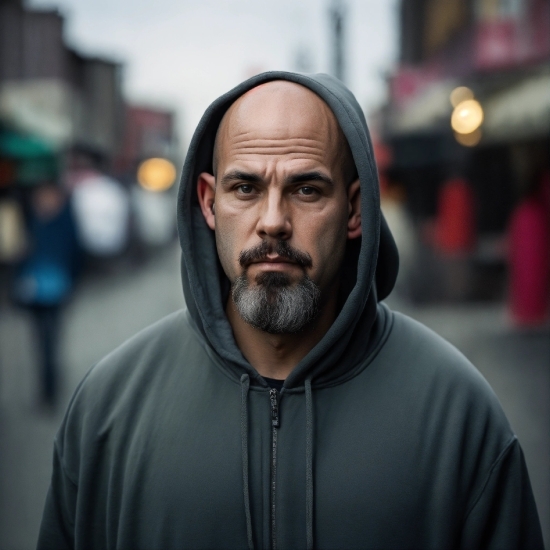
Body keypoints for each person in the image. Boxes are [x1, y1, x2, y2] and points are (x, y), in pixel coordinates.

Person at [37, 73, 543, 549]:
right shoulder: (108, 410)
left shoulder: (457, 413)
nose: (273, 222)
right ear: (209, 203)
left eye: (306, 190)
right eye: (246, 189)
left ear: (355, 209)